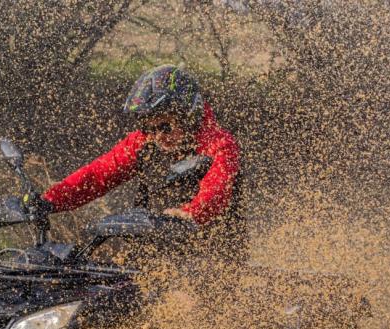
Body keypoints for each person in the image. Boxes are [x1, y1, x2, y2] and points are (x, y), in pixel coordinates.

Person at [26, 64, 246, 264]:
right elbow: (97, 175)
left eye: (165, 126)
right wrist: (50, 200)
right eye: (149, 127)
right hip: (149, 254)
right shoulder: (143, 142)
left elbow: (216, 190)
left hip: (211, 261)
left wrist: (190, 213)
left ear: (189, 115)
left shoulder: (219, 145)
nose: (158, 135)